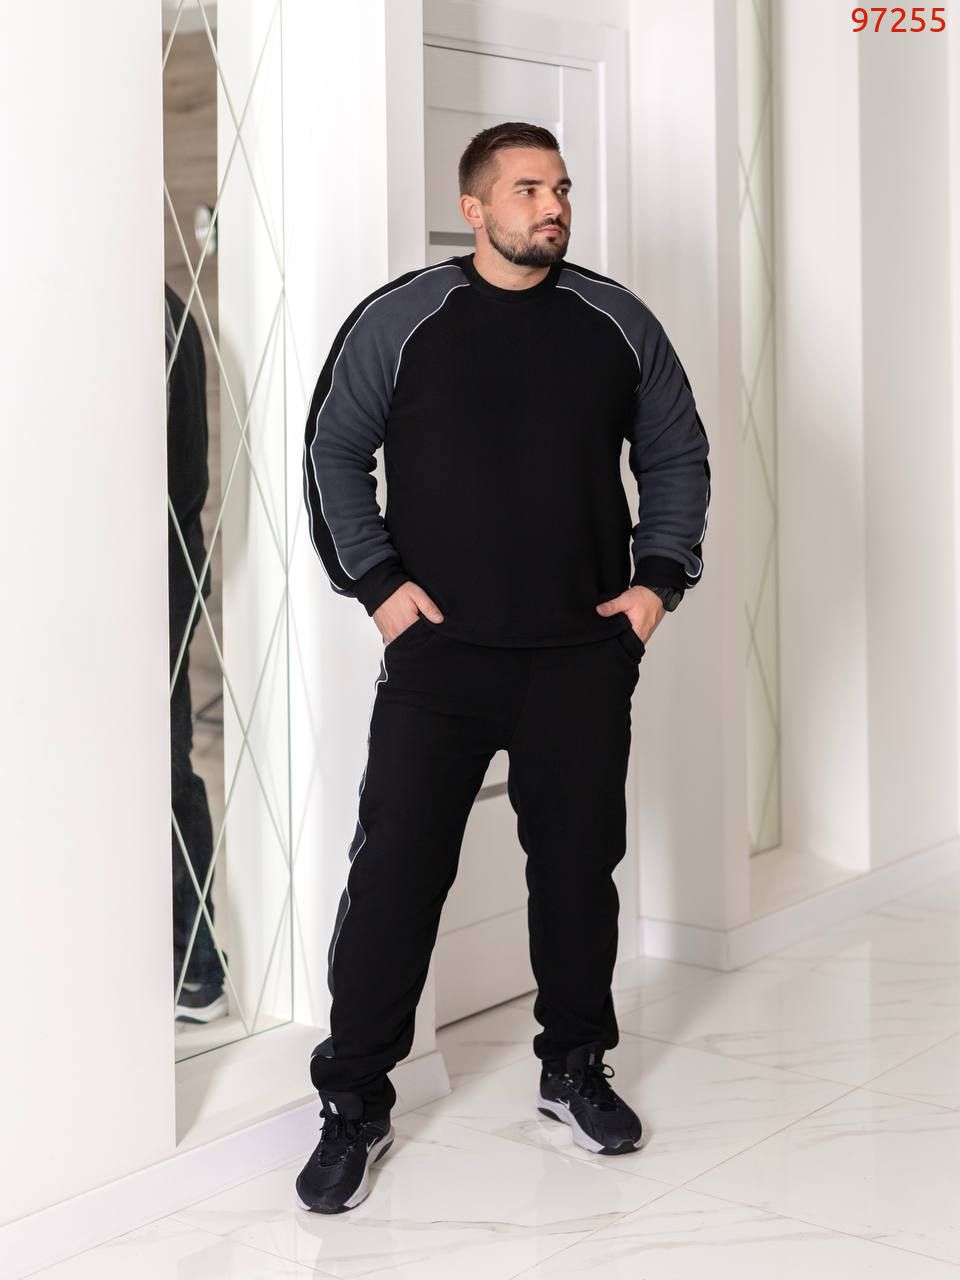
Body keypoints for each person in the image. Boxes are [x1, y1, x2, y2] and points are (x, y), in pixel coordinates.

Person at [296, 122, 711, 1213]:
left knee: (577, 874)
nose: (553, 205)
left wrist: (655, 586)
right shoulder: (402, 319)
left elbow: (677, 450)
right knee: (396, 877)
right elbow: (333, 449)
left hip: (582, 656)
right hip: (439, 659)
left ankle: (574, 1068)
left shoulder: (617, 322)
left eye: (561, 187)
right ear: (474, 208)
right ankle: (353, 1102)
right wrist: (380, 588)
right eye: (528, 189)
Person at [165, 284, 228, 1023]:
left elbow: (178, 479)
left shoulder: (149, 313)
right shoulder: (167, 307)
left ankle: (195, 963)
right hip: (166, 572)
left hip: (150, 580)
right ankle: (194, 963)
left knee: (162, 767)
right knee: (166, 764)